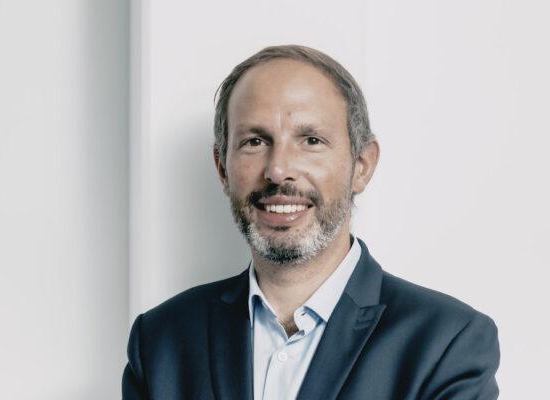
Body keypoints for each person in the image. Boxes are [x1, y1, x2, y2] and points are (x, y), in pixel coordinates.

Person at [122, 45, 500, 400]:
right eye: (255, 141)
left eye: (312, 140)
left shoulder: (445, 342)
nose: (278, 170)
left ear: (362, 166)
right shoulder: (160, 340)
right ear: (222, 168)